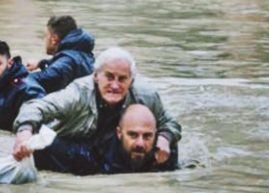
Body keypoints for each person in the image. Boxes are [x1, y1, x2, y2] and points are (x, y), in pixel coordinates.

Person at [11, 46, 180, 174]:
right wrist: (24, 132)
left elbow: (170, 122)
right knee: (43, 149)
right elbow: (36, 106)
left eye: (122, 79)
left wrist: (165, 138)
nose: (115, 85)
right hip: (79, 146)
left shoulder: (146, 95)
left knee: (170, 148)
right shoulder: (77, 93)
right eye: (109, 77)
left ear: (132, 80)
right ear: (96, 76)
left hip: (117, 147)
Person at [99, 104, 179, 174]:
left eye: (147, 136)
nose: (140, 143)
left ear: (155, 134)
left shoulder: (165, 152)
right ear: (119, 133)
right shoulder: (101, 153)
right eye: (133, 135)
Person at [26, 15, 95, 93]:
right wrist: (41, 63)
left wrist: (15, 76)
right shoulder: (81, 53)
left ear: (54, 39)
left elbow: (45, 77)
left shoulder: (66, 62)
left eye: (46, 36)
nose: (44, 40)